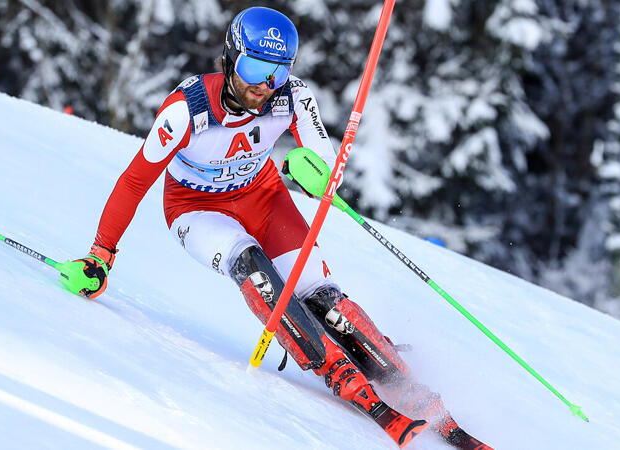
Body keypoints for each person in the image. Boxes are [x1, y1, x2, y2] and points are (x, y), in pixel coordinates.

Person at [63, 6, 488, 448]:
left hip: (263, 197)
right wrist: (101, 255)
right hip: (195, 208)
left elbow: (324, 158)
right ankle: (335, 371)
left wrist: (316, 172)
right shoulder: (186, 110)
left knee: (323, 297)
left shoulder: (291, 96)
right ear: (230, 57)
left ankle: (403, 383)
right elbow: (135, 180)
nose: (264, 85)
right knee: (251, 264)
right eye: (254, 68)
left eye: (277, 72)